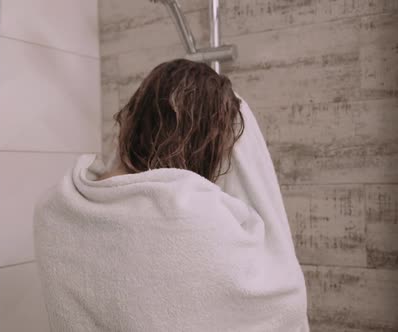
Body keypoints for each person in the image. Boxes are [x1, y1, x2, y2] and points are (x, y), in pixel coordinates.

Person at [33, 59, 309, 332]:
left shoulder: (58, 208)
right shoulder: (196, 214)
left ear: (134, 115)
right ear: (207, 140)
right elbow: (284, 304)